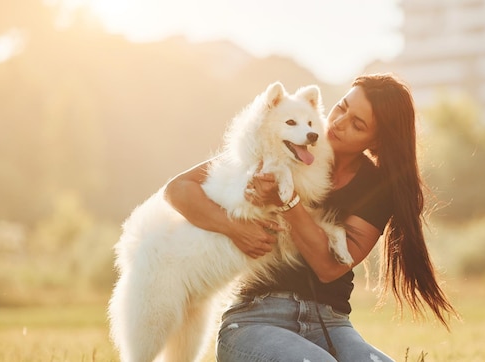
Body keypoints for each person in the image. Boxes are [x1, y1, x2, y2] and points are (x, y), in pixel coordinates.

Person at [164, 73, 457, 361]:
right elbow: (178, 190)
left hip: (331, 323)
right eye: (342, 107)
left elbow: (328, 268)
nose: (339, 124)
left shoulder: (378, 188)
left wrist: (287, 201)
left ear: (376, 141)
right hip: (255, 318)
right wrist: (234, 228)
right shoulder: (279, 141)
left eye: (357, 124)